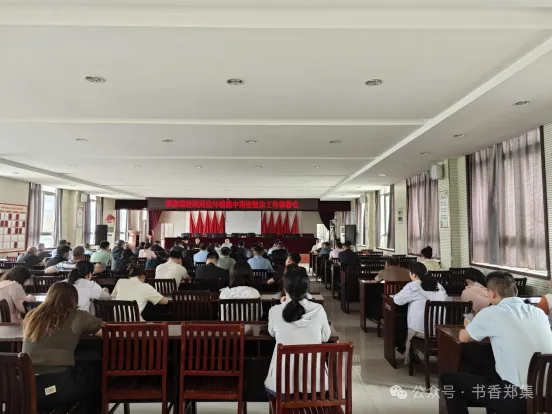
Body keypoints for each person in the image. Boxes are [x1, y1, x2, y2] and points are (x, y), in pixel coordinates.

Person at [440, 271, 552, 414]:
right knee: (492, 368)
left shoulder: (491, 313)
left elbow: (463, 338)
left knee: (448, 379)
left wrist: (469, 326)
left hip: (516, 398)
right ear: (516, 291)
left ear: (492, 293)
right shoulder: (539, 313)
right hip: (547, 395)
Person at [22, 282, 102, 413]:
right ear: (73, 299)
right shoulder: (78, 316)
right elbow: (106, 331)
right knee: (95, 377)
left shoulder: (32, 316)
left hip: (25, 388)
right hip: (57, 387)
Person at [264, 267, 331, 396]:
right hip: (316, 386)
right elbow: (325, 337)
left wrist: (283, 305)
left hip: (282, 386)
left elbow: (272, 333)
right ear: (306, 289)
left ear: (285, 289)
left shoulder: (275, 311)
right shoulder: (319, 309)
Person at [393, 262, 447, 364]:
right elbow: (445, 297)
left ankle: (410, 355)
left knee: (401, 322)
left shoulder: (413, 286)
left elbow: (397, 300)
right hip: (439, 330)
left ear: (414, 275)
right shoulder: (437, 285)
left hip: (421, 331)